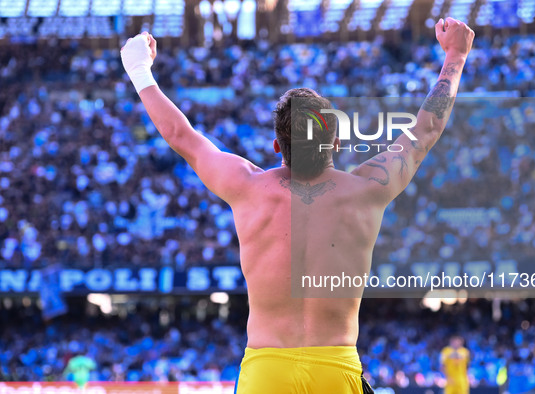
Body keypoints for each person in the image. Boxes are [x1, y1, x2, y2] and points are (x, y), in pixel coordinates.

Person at [120, 17, 474, 394]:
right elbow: (426, 130)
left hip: (265, 370)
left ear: (277, 146)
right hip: (334, 369)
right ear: (335, 143)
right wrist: (456, 54)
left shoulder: (246, 186)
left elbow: (181, 136)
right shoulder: (368, 189)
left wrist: (139, 69)